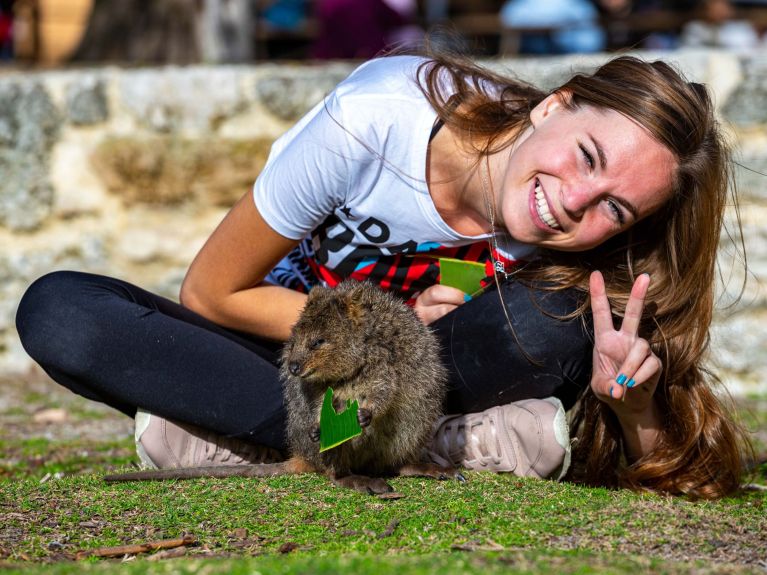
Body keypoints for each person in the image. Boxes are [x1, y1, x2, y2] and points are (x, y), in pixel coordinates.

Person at [15, 49, 751, 499]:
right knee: (61, 312)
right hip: (284, 358)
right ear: (554, 105)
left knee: (548, 326)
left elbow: (676, 470)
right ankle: (448, 446)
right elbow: (212, 292)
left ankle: (269, 445)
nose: (572, 200)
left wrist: (629, 405)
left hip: (420, 386)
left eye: (613, 207)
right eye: (586, 155)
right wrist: (389, 335)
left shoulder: (580, 252)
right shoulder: (376, 118)